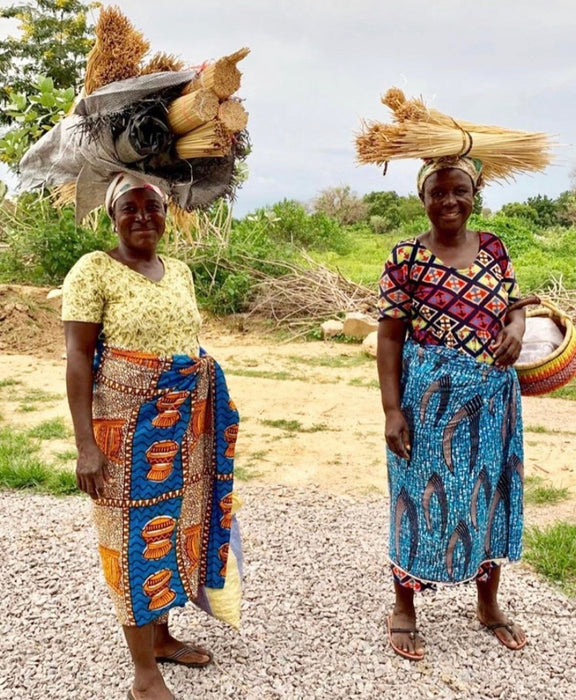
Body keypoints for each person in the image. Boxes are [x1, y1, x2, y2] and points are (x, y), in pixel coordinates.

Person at [62, 172, 241, 700]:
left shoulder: (179, 271)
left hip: (180, 432)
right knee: (129, 541)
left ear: (168, 214)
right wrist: (86, 444)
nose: (143, 217)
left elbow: (188, 342)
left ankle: (160, 638)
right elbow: (77, 359)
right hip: (122, 434)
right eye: (130, 207)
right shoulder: (93, 270)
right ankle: (144, 675)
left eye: (153, 206)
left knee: (169, 530)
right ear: (112, 216)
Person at [377, 156, 527, 661]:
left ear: (474, 193)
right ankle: (404, 608)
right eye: (437, 193)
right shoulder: (405, 257)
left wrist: (516, 329)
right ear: (423, 199)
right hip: (429, 402)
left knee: (490, 494)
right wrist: (392, 410)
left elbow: (513, 304)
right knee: (417, 497)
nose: (449, 202)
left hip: (491, 400)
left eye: (459, 190)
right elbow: (389, 338)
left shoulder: (494, 248)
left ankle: (488, 604)